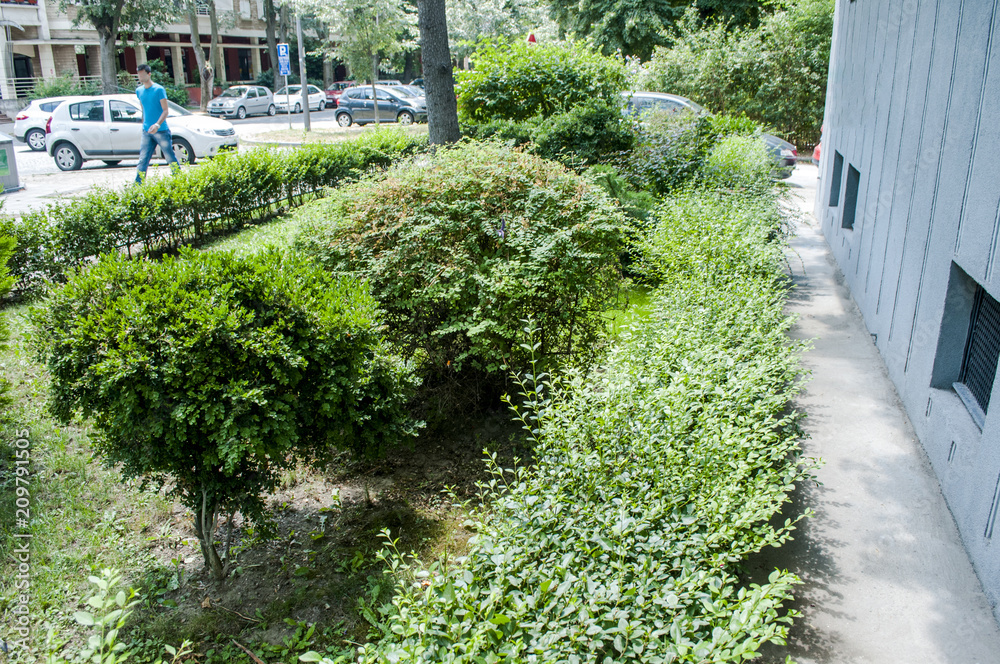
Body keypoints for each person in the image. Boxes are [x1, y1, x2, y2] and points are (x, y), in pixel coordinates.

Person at [135, 63, 180, 184]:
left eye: (142, 74)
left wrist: (157, 124)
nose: (140, 76)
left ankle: (179, 181)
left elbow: (165, 111)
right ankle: (137, 185)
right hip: (147, 131)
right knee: (143, 159)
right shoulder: (139, 91)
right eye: (138, 74)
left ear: (149, 74)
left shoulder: (159, 89)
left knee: (170, 157)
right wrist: (144, 124)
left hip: (161, 130)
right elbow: (143, 108)